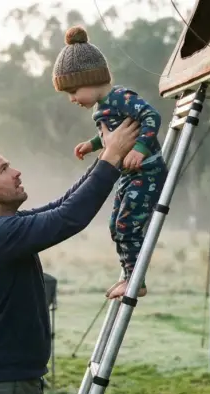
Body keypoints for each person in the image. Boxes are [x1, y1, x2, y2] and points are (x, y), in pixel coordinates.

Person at [0, 117, 141, 394]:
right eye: (4, 170)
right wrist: (111, 158)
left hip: (12, 383)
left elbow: (62, 205)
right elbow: (68, 218)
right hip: (0, 387)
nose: (16, 172)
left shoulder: (2, 227)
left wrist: (107, 158)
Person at [53, 25, 168, 298]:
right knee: (116, 225)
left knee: (127, 225)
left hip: (146, 172)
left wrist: (140, 148)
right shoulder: (101, 107)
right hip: (127, 175)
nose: (72, 99)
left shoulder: (120, 97)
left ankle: (136, 281)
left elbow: (152, 117)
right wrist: (92, 145)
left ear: (91, 79)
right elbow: (110, 134)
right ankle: (130, 275)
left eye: (74, 91)